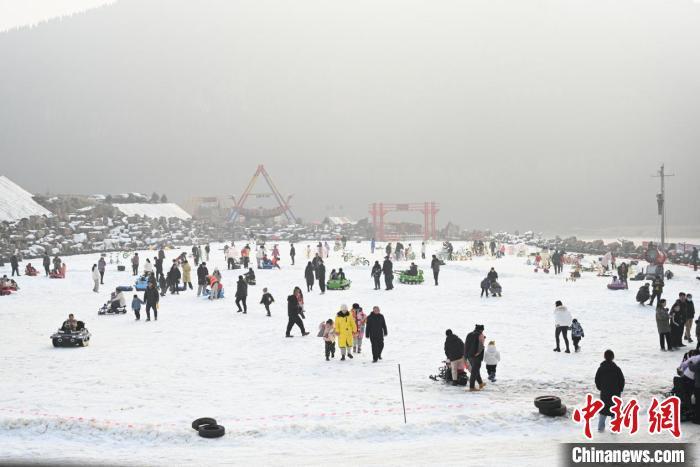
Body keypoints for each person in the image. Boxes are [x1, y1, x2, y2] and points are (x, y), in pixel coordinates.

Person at [595, 350, 625, 433]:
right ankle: (614, 429)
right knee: (614, 411)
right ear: (613, 357)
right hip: (615, 394)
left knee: (603, 412)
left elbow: (597, 380)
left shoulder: (601, 368)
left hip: (604, 394)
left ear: (604, 357)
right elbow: (622, 380)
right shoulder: (617, 369)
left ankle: (600, 430)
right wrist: (620, 389)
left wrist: (601, 388)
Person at [464, 324, 486, 391]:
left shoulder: (469, 334)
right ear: (481, 330)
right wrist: (477, 353)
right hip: (476, 357)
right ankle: (472, 387)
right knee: (474, 372)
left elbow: (466, 345)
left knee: (476, 370)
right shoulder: (480, 335)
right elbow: (481, 346)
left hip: (469, 356)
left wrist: (465, 355)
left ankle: (481, 383)